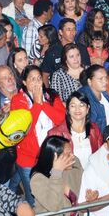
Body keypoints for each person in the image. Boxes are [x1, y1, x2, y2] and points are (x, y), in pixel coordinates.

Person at [11, 64, 66, 206]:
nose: (36, 82)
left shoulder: (52, 95)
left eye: (38, 78)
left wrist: (43, 103)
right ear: (24, 82)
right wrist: (36, 104)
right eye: (32, 79)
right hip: (29, 158)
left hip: (50, 156)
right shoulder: (18, 100)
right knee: (34, 199)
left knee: (51, 193)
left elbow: (59, 118)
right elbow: (24, 128)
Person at [29, 135, 84, 216]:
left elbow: (83, 187)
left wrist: (90, 195)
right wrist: (57, 172)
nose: (73, 156)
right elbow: (54, 205)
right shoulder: (37, 179)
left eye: (72, 152)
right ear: (54, 158)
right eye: (68, 154)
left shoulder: (74, 165)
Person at [47, 91, 103, 170]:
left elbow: (101, 156)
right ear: (68, 109)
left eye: (81, 105)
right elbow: (49, 163)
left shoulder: (94, 129)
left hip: (91, 177)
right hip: (69, 179)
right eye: (73, 106)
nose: (77, 109)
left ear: (87, 109)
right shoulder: (55, 133)